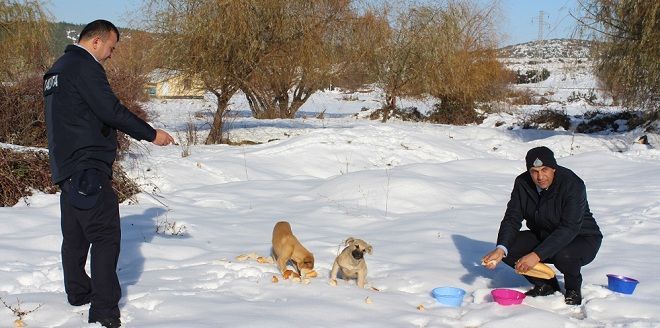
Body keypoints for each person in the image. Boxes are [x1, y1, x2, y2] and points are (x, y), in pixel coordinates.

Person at [43, 20, 175, 327]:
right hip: (88, 165)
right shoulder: (84, 67)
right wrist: (150, 133)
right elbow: (110, 110)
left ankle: (78, 293)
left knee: (75, 236)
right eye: (111, 48)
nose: (111, 55)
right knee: (105, 236)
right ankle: (103, 310)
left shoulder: (56, 70)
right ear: (96, 42)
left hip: (66, 167)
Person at [482, 146, 602, 305]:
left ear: (554, 168)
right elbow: (512, 218)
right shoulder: (522, 183)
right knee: (510, 248)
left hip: (582, 238)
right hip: (545, 234)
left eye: (545, 169)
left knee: (564, 255)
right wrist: (501, 248)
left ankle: (573, 290)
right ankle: (546, 285)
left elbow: (570, 228)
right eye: (534, 171)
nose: (540, 177)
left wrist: (536, 255)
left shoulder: (572, 184)